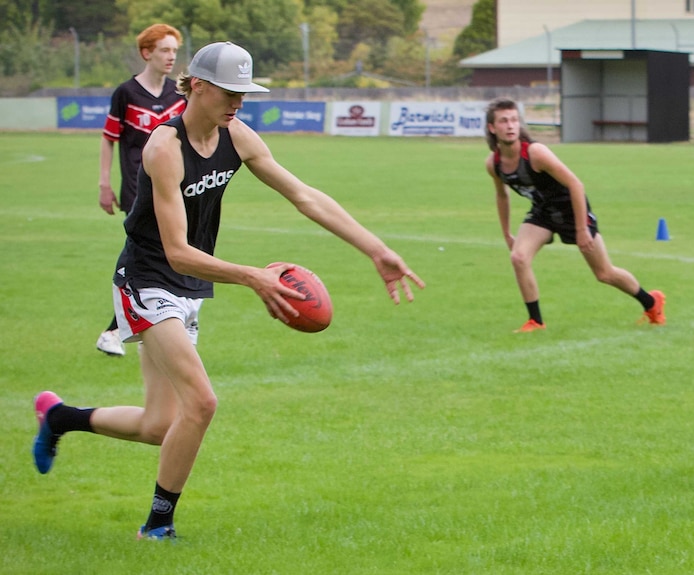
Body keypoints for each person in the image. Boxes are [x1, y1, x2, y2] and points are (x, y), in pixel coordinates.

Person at [32, 41, 425, 540]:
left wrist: (375, 249)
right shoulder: (163, 148)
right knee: (201, 404)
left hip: (190, 285)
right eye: (228, 91)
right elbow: (176, 251)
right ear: (197, 85)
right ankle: (158, 525)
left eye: (245, 91)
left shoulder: (235, 135)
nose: (238, 102)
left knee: (160, 426)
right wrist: (252, 276)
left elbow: (303, 195)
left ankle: (60, 416)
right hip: (147, 280)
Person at [484, 97, 665, 333]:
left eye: (514, 120)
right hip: (543, 211)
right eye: (504, 121)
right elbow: (502, 196)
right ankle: (536, 322)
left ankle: (652, 303)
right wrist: (507, 233)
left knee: (604, 273)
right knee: (518, 257)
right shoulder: (494, 164)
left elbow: (575, 185)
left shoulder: (536, 153)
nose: (510, 126)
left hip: (572, 209)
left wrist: (581, 229)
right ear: (492, 128)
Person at [96, 24, 187, 357]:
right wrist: (104, 183)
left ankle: (159, 324)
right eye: (164, 50)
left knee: (159, 258)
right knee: (154, 256)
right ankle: (117, 330)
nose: (171, 57)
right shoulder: (126, 93)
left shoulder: (178, 97)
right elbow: (109, 139)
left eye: (174, 51)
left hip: (172, 187)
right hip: (137, 188)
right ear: (146, 53)